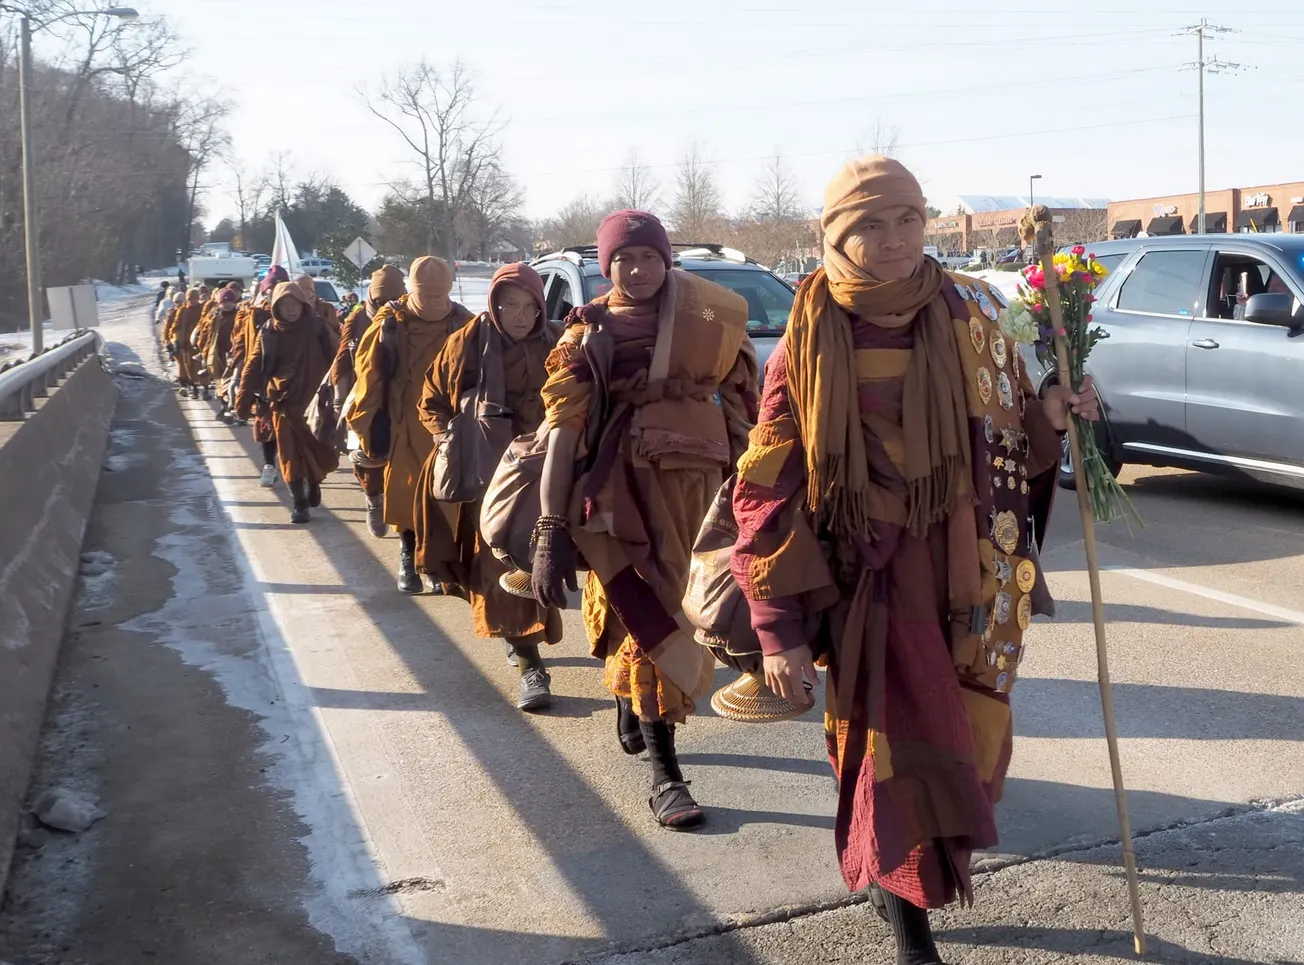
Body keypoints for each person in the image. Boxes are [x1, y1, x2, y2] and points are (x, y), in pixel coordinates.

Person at [730, 156, 1098, 965]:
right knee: (887, 752)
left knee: (962, 740)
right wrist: (775, 626)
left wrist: (1053, 417)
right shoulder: (804, 344)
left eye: (907, 219)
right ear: (834, 233)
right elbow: (764, 494)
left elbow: (1007, 451)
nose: (893, 239)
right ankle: (912, 931)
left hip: (968, 576)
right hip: (868, 586)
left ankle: (900, 881)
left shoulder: (971, 313)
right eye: (869, 223)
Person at [532, 210, 759, 829]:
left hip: (705, 494)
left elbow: (747, 412)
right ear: (605, 268)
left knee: (692, 613)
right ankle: (667, 777)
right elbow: (563, 431)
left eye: (648, 258)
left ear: (667, 260)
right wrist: (550, 526)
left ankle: (633, 704)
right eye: (622, 261)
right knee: (649, 618)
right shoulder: (585, 336)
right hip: (623, 495)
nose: (637, 270)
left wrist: (759, 489)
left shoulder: (712, 323)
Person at [414, 263, 564, 711]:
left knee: (544, 558)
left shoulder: (556, 345)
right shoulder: (467, 343)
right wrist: (449, 439)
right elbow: (431, 400)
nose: (519, 317)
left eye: (528, 308)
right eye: (508, 306)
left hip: (547, 473)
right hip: (490, 478)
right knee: (499, 565)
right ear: (493, 305)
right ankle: (528, 664)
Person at [348, 257, 473, 592]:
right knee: (405, 493)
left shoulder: (465, 323)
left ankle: (437, 563)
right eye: (425, 294)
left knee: (447, 498)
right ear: (411, 290)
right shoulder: (390, 323)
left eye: (439, 294)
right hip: (403, 421)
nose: (433, 301)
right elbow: (368, 378)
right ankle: (407, 555)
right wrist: (366, 426)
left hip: (447, 425)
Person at [234, 282, 341, 524]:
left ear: (303, 305)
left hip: (315, 403)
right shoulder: (269, 332)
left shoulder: (318, 328)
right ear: (276, 308)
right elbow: (253, 366)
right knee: (289, 455)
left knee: (319, 449)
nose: (291, 310)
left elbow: (339, 357)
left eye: (295, 304)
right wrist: (244, 399)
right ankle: (299, 504)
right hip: (282, 403)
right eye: (285, 305)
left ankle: (314, 482)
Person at [333, 265, 406, 538]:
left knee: (401, 460)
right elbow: (341, 362)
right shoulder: (356, 321)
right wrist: (340, 400)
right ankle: (373, 499)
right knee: (365, 460)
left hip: (401, 400)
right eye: (380, 300)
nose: (387, 305)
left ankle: (401, 516)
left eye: (393, 298)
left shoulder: (410, 317)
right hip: (362, 401)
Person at [230, 266, 289, 472]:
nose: (276, 293)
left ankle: (295, 471)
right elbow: (244, 343)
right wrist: (241, 371)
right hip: (264, 377)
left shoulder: (299, 313)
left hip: (292, 378)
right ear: (265, 292)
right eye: (272, 289)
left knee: (290, 424)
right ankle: (269, 464)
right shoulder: (255, 315)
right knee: (265, 422)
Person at [165, 288, 204, 395]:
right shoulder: (183, 310)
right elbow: (175, 325)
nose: (193, 301)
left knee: (200, 365)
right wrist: (173, 339)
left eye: (195, 298)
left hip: (199, 341)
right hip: (186, 342)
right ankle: (191, 385)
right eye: (191, 299)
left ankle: (202, 385)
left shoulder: (202, 308)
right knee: (188, 364)